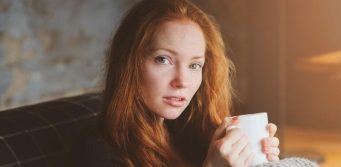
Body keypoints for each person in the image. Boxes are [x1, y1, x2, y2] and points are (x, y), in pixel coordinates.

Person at [80, 0, 280, 166]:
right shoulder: (100, 153)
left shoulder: (193, 131)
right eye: (163, 59)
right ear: (128, 64)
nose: (182, 81)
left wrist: (257, 158)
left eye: (194, 65)